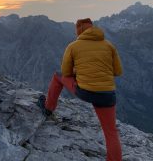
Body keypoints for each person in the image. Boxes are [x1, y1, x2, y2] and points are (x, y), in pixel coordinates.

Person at [38, 18, 123, 161]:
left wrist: (80, 71)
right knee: (111, 133)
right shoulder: (109, 45)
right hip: (107, 94)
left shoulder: (73, 46)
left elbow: (66, 72)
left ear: (79, 31)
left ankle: (48, 108)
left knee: (57, 76)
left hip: (85, 92)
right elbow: (118, 71)